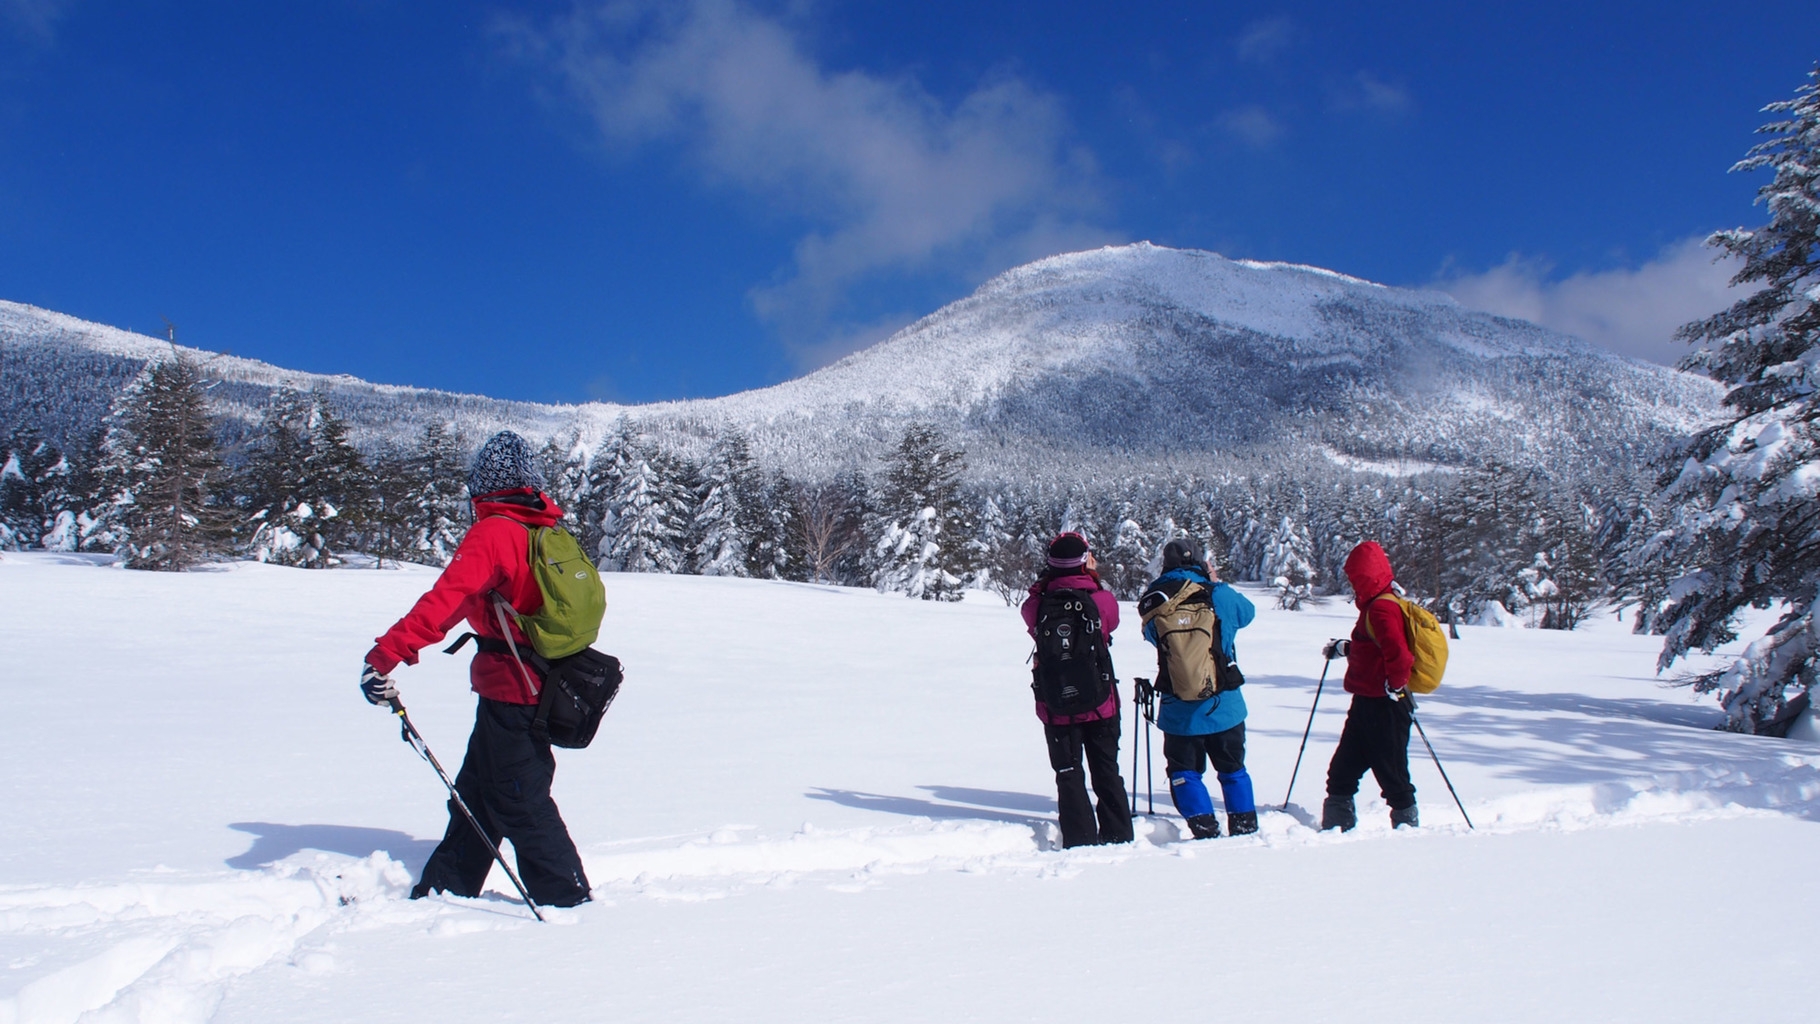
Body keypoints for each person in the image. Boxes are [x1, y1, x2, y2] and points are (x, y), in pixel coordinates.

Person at [358, 430, 593, 907]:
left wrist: (385, 656)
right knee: (478, 791)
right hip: (537, 684)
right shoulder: (542, 528)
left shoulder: (495, 532)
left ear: (483, 484)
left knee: (520, 799)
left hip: (513, 690)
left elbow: (446, 601)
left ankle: (568, 902)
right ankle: (446, 887)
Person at [1138, 539, 1259, 839]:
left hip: (1179, 708)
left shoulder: (1154, 601)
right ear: (1202, 563)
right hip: (1224, 703)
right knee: (1233, 770)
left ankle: (1203, 828)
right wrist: (1217, 582)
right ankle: (1244, 827)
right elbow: (1247, 613)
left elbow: (1154, 638)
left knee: (1184, 771)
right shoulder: (1218, 595)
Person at [1021, 532, 1134, 848]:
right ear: (1085, 560)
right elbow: (1110, 623)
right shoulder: (1102, 600)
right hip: (1101, 701)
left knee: (1068, 773)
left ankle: (1080, 839)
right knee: (1106, 770)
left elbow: (1029, 615)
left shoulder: (1037, 605)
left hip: (1056, 704)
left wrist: (1045, 583)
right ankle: (1118, 836)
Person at [1319, 540, 1418, 831]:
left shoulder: (1382, 609)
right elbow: (1373, 649)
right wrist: (1345, 648)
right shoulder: (1376, 605)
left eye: (1354, 577)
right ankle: (1336, 832)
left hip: (1385, 706)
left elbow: (1399, 655)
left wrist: (1395, 686)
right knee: (1341, 773)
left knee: (1393, 776)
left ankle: (1408, 833)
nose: (1352, 584)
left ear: (1364, 575)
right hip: (1366, 702)